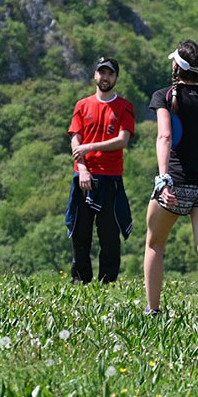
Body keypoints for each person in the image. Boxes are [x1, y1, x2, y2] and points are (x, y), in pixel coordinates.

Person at [143, 40, 198, 320]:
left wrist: (163, 179)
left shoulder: (165, 96)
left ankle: (153, 310)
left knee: (155, 244)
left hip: (175, 184)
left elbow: (165, 137)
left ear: (176, 67)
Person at [65, 56, 134, 284]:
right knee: (80, 233)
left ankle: (108, 283)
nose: (105, 77)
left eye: (110, 73)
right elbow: (75, 140)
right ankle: (80, 282)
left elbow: (122, 140)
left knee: (109, 236)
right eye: (102, 72)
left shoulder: (124, 107)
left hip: (111, 177)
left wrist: (90, 146)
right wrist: (83, 169)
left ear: (116, 77)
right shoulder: (82, 106)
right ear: (95, 74)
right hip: (84, 177)